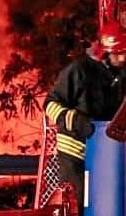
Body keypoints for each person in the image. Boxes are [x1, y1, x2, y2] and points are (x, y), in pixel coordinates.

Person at [43, 21, 126, 208]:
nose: (123, 58)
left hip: (107, 151)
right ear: (105, 53)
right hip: (76, 154)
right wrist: (75, 121)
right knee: (81, 203)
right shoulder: (79, 71)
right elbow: (50, 103)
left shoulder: (120, 74)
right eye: (119, 53)